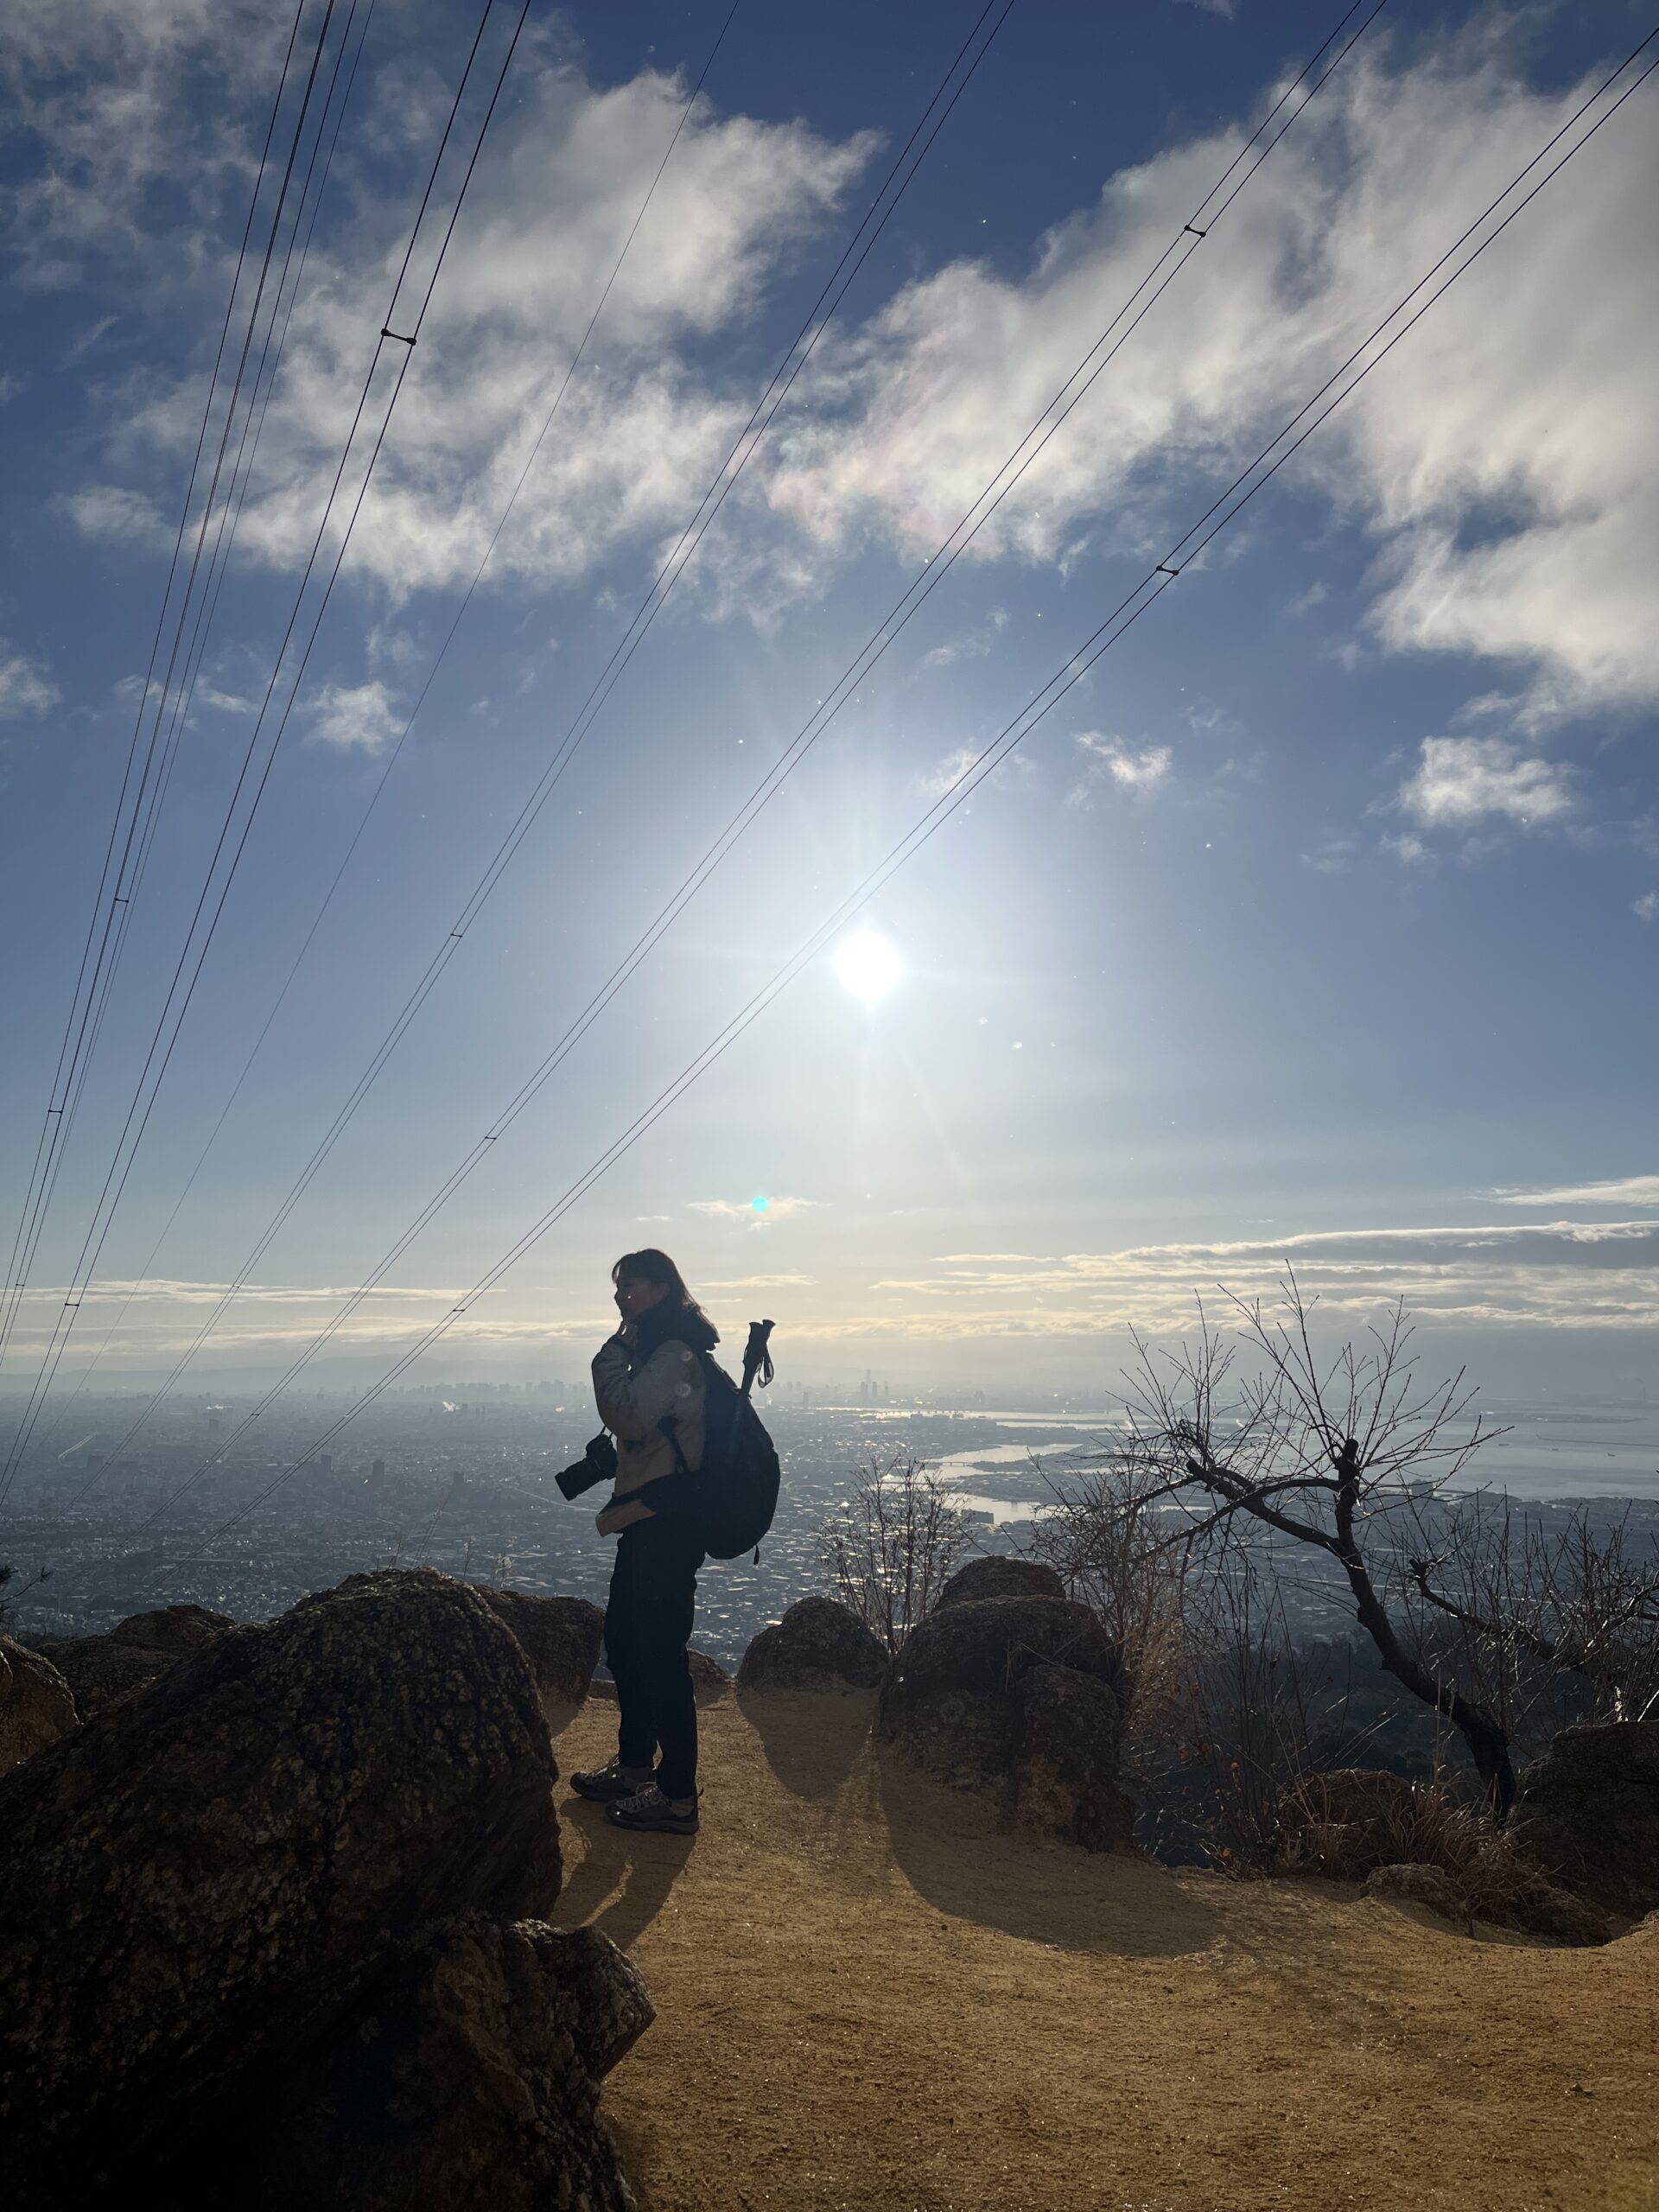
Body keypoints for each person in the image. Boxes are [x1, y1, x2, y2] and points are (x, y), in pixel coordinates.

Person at [569, 1248, 715, 1834]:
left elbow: (630, 1417)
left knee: (659, 1654)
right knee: (628, 1645)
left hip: (670, 1521)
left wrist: (614, 1350)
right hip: (645, 1516)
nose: (620, 1296)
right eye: (617, 1287)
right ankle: (635, 1768)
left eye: (629, 1285)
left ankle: (677, 1795)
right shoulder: (663, 1349)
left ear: (661, 1288)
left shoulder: (673, 1352)